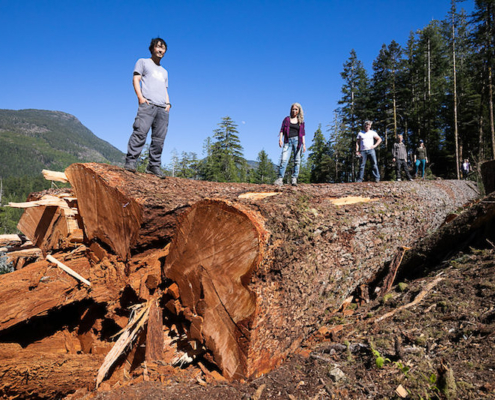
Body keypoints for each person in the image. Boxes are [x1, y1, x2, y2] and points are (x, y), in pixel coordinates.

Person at [124, 38, 171, 179]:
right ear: (152, 48)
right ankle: (131, 162)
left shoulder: (164, 72)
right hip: (148, 104)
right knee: (140, 132)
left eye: (163, 48)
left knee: (159, 139)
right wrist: (140, 97)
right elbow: (136, 79)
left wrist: (168, 104)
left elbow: (165, 89)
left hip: (162, 108)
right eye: (158, 47)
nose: (161, 50)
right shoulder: (143, 62)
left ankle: (153, 166)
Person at [273, 103, 306, 186]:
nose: (294, 110)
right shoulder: (287, 119)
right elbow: (281, 130)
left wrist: (304, 144)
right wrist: (280, 139)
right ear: (291, 110)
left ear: (298, 111)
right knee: (284, 160)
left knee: (297, 160)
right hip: (288, 141)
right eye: (293, 109)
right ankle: (280, 179)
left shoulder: (300, 121)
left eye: (296, 109)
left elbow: (303, 134)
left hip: (298, 141)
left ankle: (294, 179)